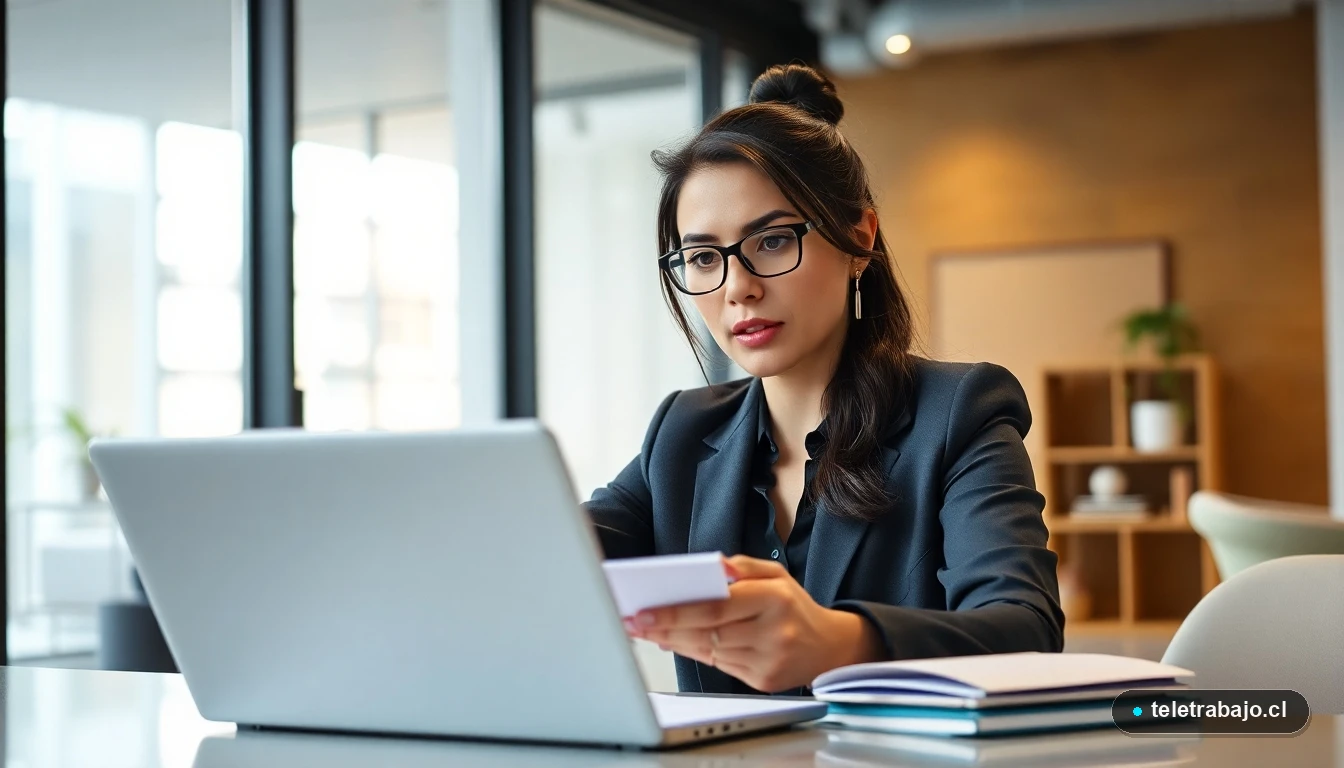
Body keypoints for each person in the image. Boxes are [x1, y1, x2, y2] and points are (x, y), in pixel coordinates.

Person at [583, 63, 1063, 697]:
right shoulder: (682, 434)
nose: (737, 287)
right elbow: (555, 555)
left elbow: (1026, 630)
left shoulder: (958, 414)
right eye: (702, 257)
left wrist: (842, 642)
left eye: (773, 241)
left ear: (859, 239)